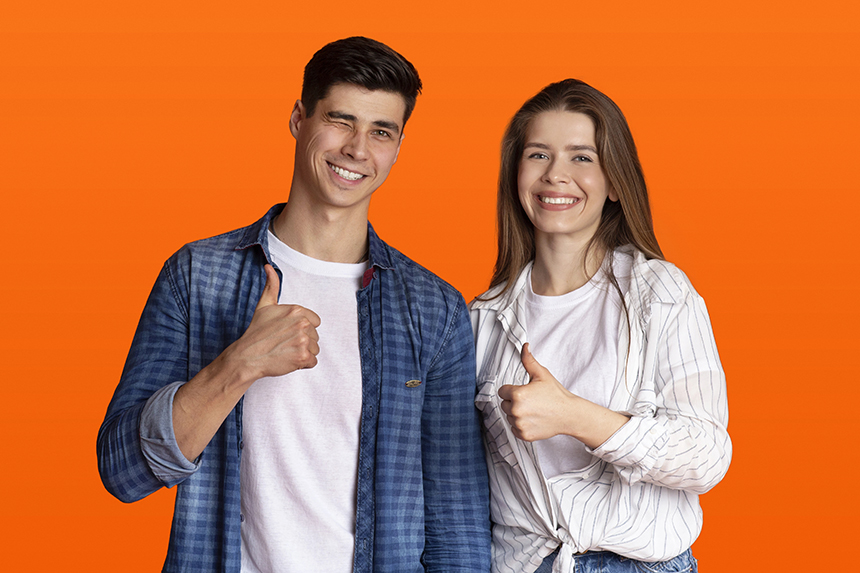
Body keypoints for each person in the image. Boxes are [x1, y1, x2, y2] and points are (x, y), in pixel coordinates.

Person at [97, 36, 490, 573]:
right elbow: (122, 472)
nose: (357, 148)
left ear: (399, 147)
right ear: (298, 118)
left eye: (381, 131)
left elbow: (457, 523)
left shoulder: (432, 309)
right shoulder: (197, 275)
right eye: (341, 120)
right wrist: (238, 366)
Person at [470, 79, 731, 573]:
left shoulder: (659, 292)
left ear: (614, 182)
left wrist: (576, 417)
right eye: (539, 155)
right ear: (515, 175)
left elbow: (707, 456)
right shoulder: (481, 319)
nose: (556, 176)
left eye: (582, 157)